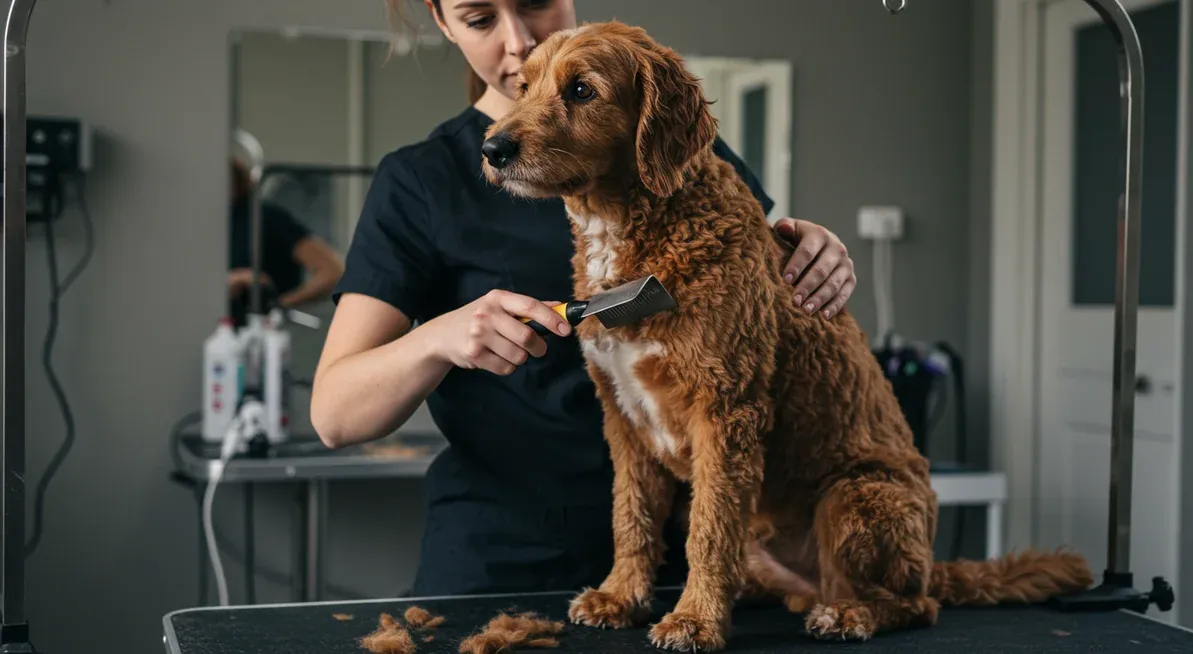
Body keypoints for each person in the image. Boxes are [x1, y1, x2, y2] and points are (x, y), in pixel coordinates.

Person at [311, 0, 860, 597]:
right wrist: (437, 338)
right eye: (479, 19)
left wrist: (810, 248)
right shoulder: (419, 181)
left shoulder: (663, 133)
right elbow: (336, 415)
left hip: (689, 570)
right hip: (503, 564)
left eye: (535, 4)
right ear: (443, 24)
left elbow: (755, 301)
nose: (518, 40)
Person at [228, 156, 346, 320]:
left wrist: (278, 305)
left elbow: (332, 271)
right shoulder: (196, 225)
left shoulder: (264, 218)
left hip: (261, 328)